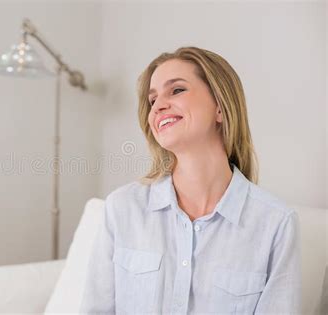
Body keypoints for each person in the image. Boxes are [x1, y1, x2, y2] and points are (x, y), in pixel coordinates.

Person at [79, 46, 302, 314]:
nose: (158, 106)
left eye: (177, 90)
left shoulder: (275, 224)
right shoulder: (122, 209)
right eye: (152, 100)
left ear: (220, 107)